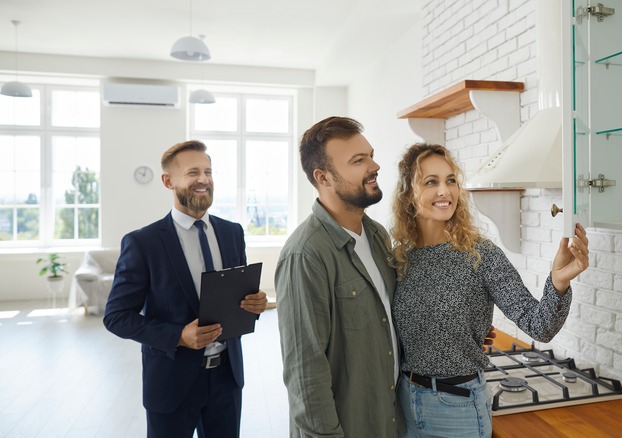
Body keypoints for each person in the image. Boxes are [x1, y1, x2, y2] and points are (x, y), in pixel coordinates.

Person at [390, 143, 590, 438]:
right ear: (409, 193)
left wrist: (559, 281)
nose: (445, 192)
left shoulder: (481, 254)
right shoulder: (399, 258)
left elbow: (539, 326)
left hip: (457, 408)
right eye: (431, 182)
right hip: (404, 402)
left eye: (451, 181)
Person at [103, 140, 268, 438]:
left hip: (227, 379)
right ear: (168, 181)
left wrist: (253, 305)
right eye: (193, 172)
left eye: (208, 171)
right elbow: (116, 316)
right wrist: (178, 336)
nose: (204, 180)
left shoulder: (233, 233)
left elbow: (237, 300)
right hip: (171, 382)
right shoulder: (143, 243)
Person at [274, 116, 400, 437]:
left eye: (370, 155)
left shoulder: (377, 236)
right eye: (359, 160)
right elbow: (305, 371)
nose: (374, 166)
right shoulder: (305, 254)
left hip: (387, 418)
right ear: (323, 178)